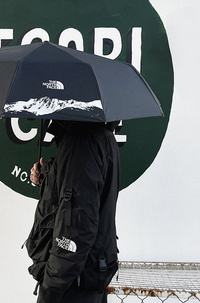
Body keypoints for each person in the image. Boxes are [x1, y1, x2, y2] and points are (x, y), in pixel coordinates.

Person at [26, 120, 120, 303]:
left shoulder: (79, 142)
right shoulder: (97, 136)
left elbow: (75, 231)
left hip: (72, 284)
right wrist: (48, 177)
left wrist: (49, 291)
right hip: (84, 276)